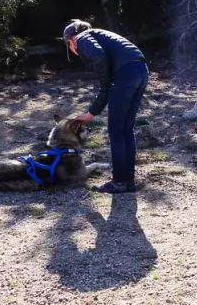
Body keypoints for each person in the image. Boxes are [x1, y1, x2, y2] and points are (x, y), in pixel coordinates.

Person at [63, 19, 149, 194]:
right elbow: (106, 85)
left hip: (126, 74)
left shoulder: (81, 38)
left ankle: (118, 181)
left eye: (68, 46)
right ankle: (128, 180)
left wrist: (91, 113)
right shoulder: (99, 35)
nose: (73, 51)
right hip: (141, 70)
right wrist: (92, 112)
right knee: (126, 129)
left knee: (116, 130)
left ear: (70, 40)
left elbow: (99, 59)